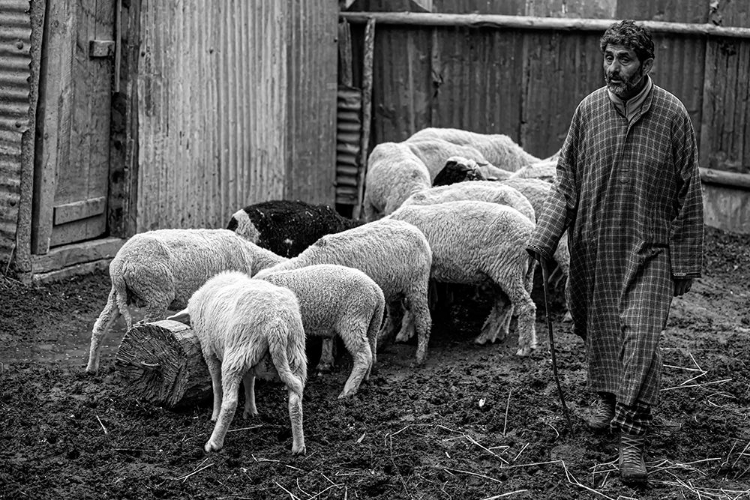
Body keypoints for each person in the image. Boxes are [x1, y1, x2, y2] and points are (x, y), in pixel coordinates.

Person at [526, 20, 704, 484]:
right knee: (600, 326)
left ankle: (631, 436)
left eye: (624, 59)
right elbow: (566, 178)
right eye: (608, 57)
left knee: (641, 334)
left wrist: (683, 261)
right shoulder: (588, 112)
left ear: (646, 64)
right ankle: (607, 396)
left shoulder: (672, 115)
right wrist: (544, 239)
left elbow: (690, 190)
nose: (613, 67)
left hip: (650, 250)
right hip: (596, 245)